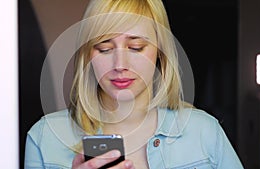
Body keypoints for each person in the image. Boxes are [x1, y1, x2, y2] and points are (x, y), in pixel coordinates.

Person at [24, 0, 244, 168]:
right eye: (104, 48)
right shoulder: (45, 137)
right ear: (87, 55)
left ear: (160, 52)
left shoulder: (204, 132)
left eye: (136, 47)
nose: (120, 64)